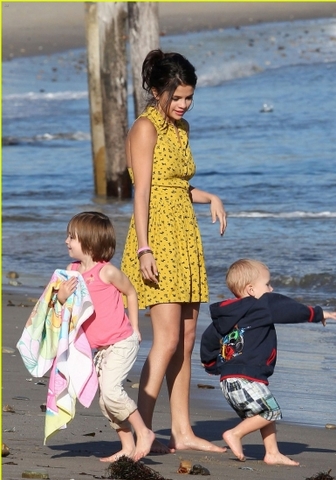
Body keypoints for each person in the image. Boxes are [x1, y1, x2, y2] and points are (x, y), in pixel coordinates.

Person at [121, 49, 227, 454]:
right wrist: (144, 248)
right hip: (157, 238)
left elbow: (177, 185)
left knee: (185, 338)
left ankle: (181, 431)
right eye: (176, 97)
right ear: (155, 90)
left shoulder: (182, 129)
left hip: (185, 234)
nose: (182, 104)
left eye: (188, 97)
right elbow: (143, 189)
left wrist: (209, 196)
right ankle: (141, 429)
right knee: (165, 341)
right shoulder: (145, 128)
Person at [200, 258, 336, 465]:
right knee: (270, 411)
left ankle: (272, 452)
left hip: (229, 379)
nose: (271, 288)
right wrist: (317, 313)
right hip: (247, 377)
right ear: (251, 289)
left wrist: (211, 364)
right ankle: (235, 434)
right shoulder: (260, 305)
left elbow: (208, 340)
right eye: (267, 284)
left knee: (264, 411)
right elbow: (287, 309)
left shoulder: (225, 316)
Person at [57, 211, 155, 462]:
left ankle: (144, 432)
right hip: (99, 348)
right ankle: (127, 446)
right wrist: (62, 297)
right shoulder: (72, 271)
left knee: (112, 392)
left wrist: (135, 327)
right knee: (105, 402)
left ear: (89, 242)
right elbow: (63, 305)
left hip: (122, 341)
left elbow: (131, 293)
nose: (66, 242)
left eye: (72, 237)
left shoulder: (107, 272)